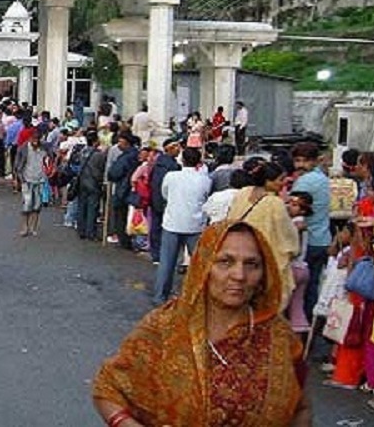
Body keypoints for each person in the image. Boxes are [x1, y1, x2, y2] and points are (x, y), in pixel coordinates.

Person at [94, 221, 311, 426]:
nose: (239, 275)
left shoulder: (280, 337)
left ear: (264, 273)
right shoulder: (166, 326)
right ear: (203, 266)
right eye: (225, 262)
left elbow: (300, 408)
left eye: (251, 264)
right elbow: (109, 388)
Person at [227, 160, 300, 311]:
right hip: (264, 261)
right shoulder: (275, 204)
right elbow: (287, 238)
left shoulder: (243, 193)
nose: (283, 184)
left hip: (239, 253)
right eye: (280, 180)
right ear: (268, 181)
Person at [153, 147, 210, 305]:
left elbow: (164, 193)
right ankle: (200, 297)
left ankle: (160, 296)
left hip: (173, 222)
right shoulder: (204, 179)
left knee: (167, 262)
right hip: (195, 224)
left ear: (182, 160)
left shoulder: (171, 176)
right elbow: (206, 196)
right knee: (199, 264)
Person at [290, 141, 331, 321]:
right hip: (323, 238)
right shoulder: (322, 178)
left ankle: (301, 323)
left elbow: (294, 208)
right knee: (313, 284)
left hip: (308, 241)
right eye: (297, 160)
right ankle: (311, 322)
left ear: (314, 161)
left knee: (301, 289)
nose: (300, 165)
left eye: (304, 161)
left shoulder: (305, 181)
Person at [149, 137, 182, 264]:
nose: (179, 149)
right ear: (169, 149)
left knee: (156, 227)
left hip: (156, 199)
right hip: (165, 200)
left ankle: (156, 253)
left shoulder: (158, 163)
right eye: (176, 147)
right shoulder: (172, 166)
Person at [14, 133, 48, 237]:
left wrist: (50, 170)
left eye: (37, 139)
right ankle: (25, 227)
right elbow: (17, 165)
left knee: (37, 205)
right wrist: (17, 179)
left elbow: (51, 158)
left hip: (40, 179)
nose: (35, 142)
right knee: (26, 205)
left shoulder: (44, 148)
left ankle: (33, 227)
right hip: (26, 180)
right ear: (29, 139)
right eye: (33, 139)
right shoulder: (23, 149)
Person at [75, 131, 107, 241]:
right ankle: (90, 232)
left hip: (82, 181)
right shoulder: (99, 155)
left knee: (82, 206)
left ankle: (81, 229)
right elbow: (102, 169)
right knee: (92, 208)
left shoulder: (82, 151)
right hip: (94, 182)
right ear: (95, 141)